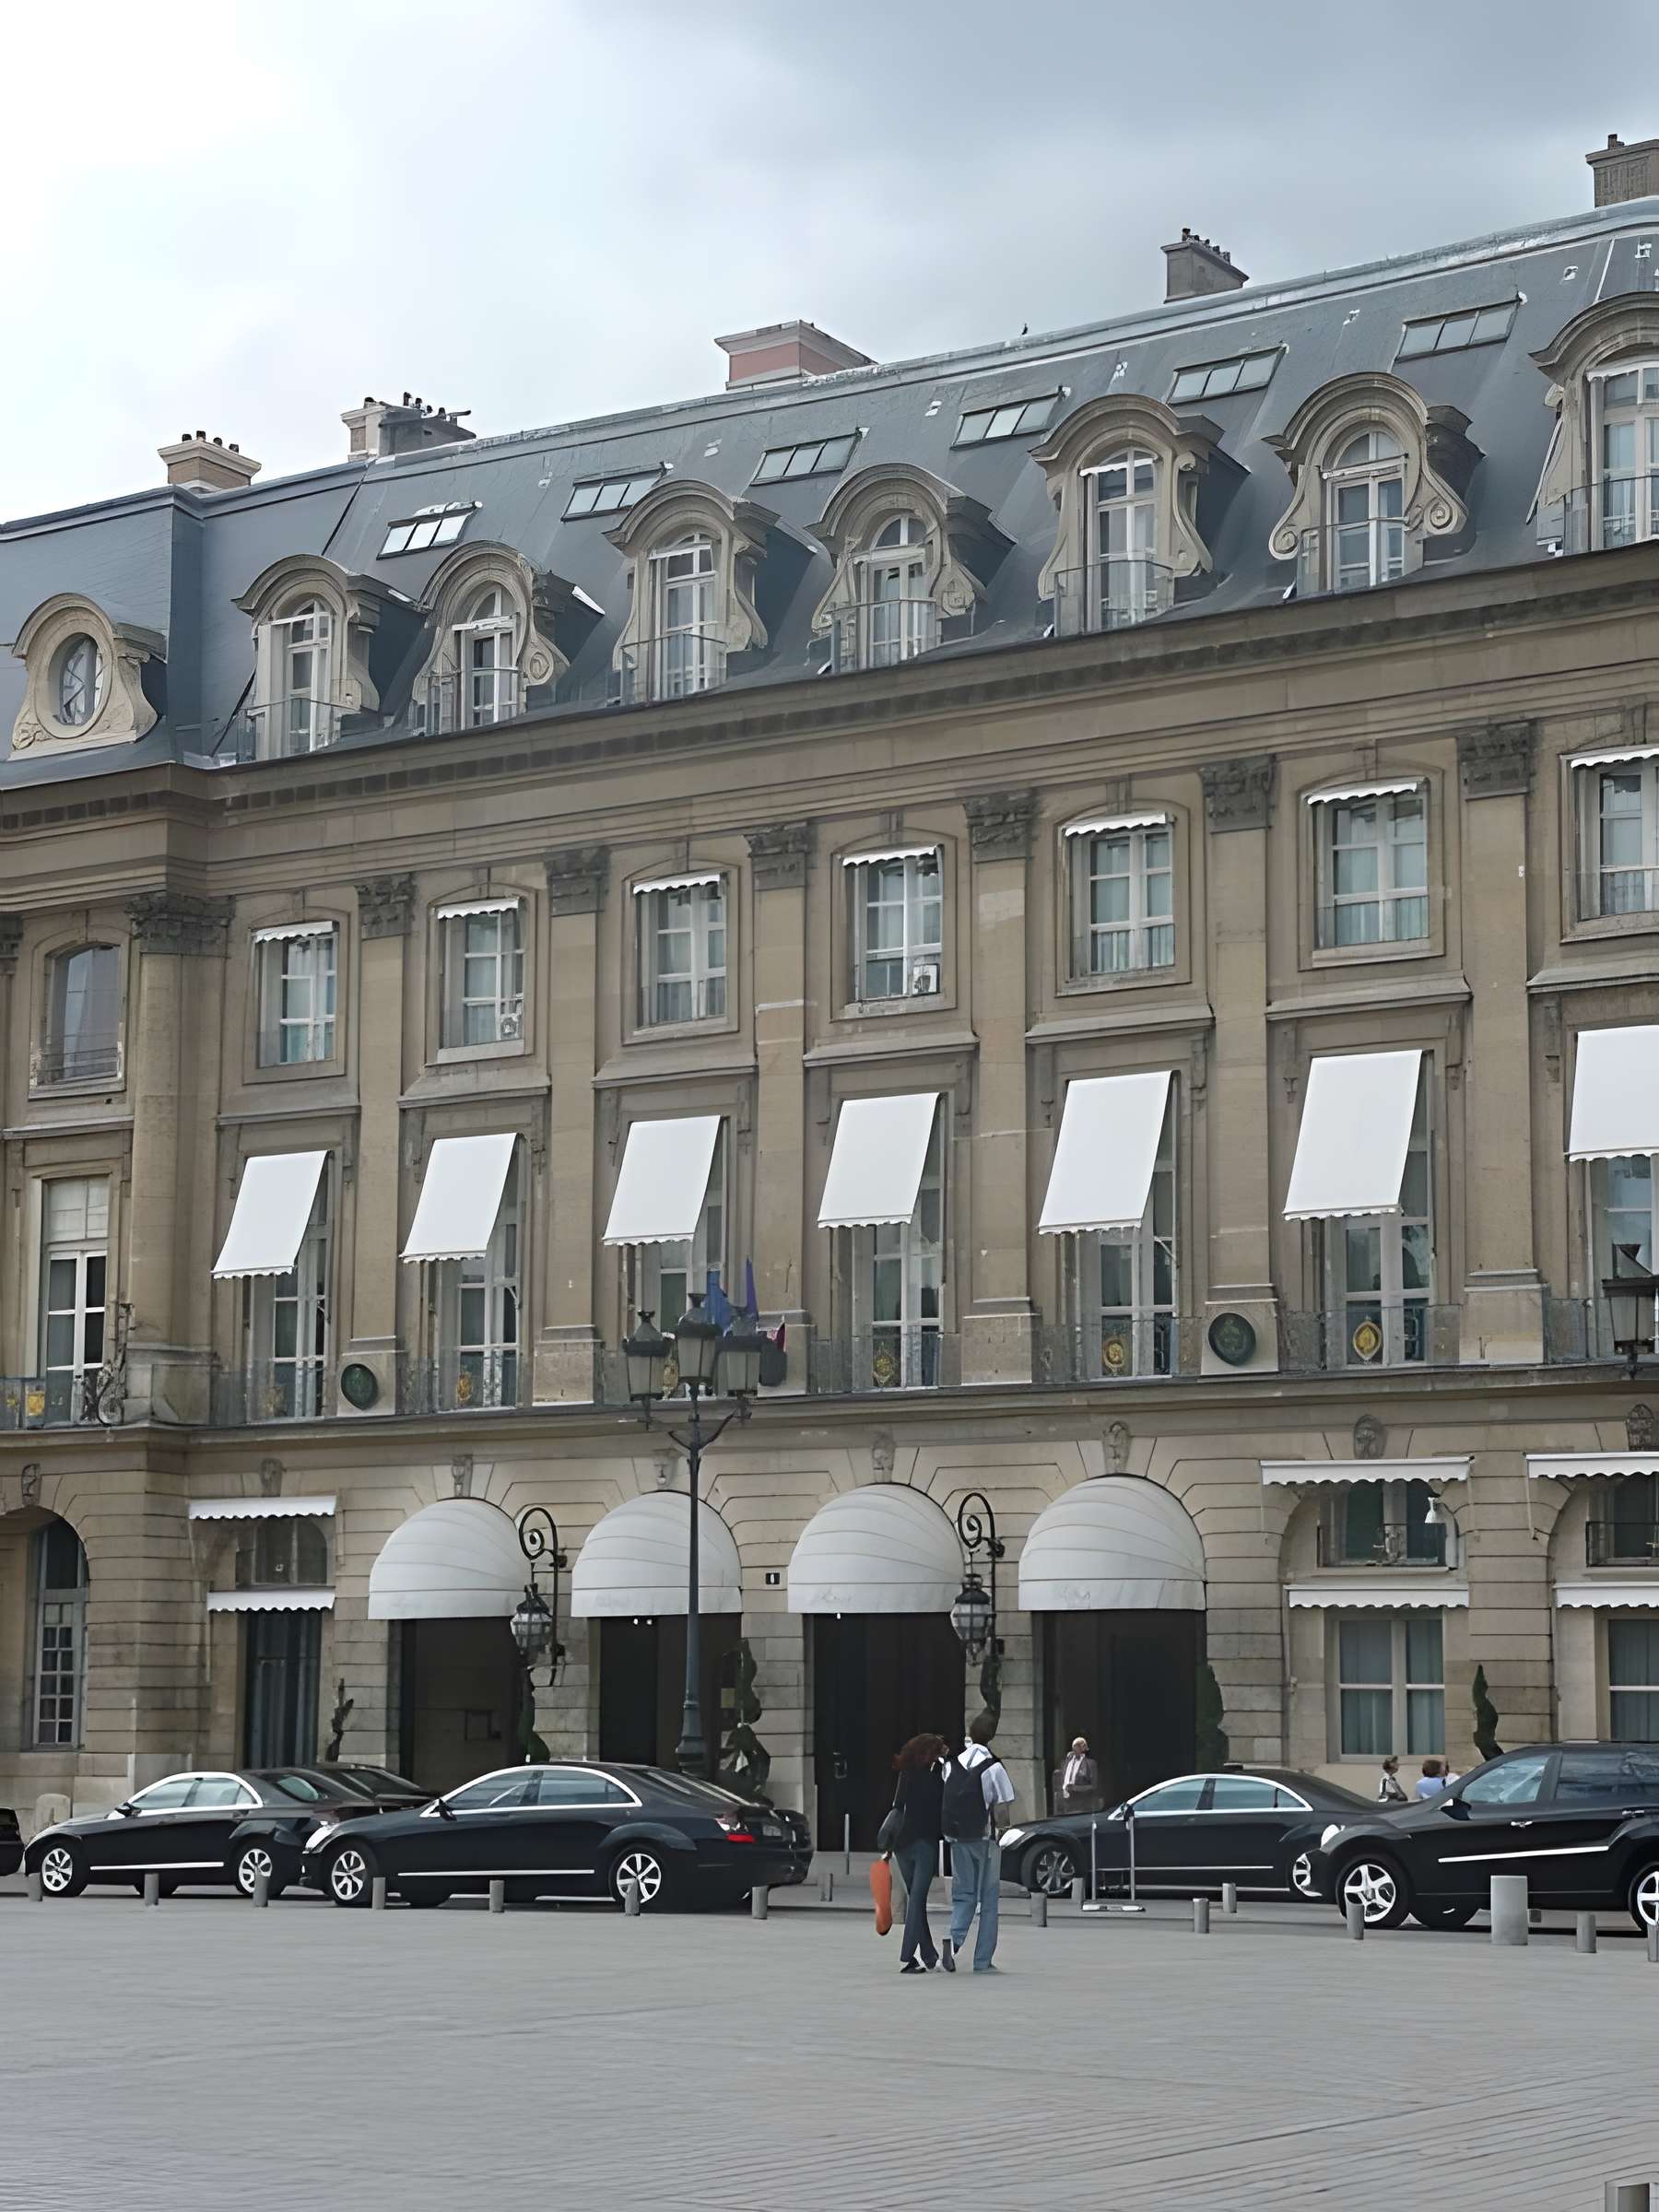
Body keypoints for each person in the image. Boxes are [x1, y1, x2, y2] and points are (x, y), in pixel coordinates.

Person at [940, 1711, 1016, 1974]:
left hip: (956, 1837)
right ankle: (982, 1961)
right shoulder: (994, 1767)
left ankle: (955, 1937)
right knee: (989, 1900)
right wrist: (1004, 1832)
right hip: (984, 1839)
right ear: (992, 1735)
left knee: (963, 1895)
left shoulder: (952, 1764)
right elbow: (1003, 1808)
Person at [888, 1733, 947, 1973]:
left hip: (902, 1844)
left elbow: (897, 1805)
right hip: (925, 1843)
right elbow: (940, 1813)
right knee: (918, 1899)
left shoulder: (905, 1775)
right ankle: (907, 1957)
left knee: (915, 1900)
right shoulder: (936, 1781)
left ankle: (929, 1956)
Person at [1060, 1736, 1098, 1811]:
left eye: (1082, 1746)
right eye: (1075, 1746)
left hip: (1081, 1802)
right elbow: (1063, 1778)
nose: (1076, 1748)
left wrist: (1075, 1788)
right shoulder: (1067, 1761)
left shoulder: (1090, 1763)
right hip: (1065, 1802)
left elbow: (1094, 1785)